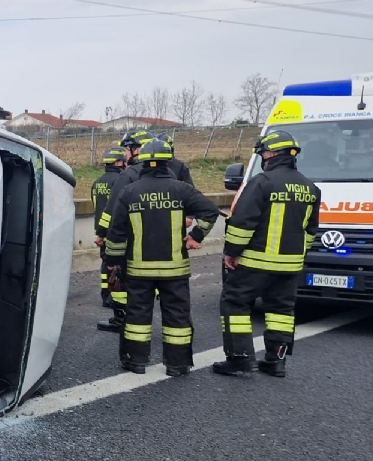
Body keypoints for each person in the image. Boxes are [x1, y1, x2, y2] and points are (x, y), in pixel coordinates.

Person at [103, 139, 220, 376]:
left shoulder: (129, 192)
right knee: (177, 315)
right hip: (175, 269)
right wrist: (196, 235)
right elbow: (210, 212)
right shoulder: (182, 189)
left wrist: (113, 263)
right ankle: (177, 365)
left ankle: (135, 361)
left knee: (137, 315)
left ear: (141, 161)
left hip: (139, 270)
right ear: (168, 162)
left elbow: (116, 233)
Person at [213, 130, 320, 378]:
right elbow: (311, 230)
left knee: (234, 303)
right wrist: (296, 255)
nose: (262, 157)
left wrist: (231, 252)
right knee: (281, 311)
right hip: (289, 266)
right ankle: (276, 361)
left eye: (263, 153)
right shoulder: (310, 187)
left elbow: (241, 224)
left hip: (255, 262)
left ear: (271, 153)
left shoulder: (261, 182)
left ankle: (240, 358)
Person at [95, 128, 153, 332]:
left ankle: (123, 319)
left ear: (136, 149)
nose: (125, 154)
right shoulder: (166, 175)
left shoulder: (128, 176)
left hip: (127, 238)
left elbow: (112, 210)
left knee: (120, 275)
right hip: (154, 241)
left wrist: (101, 233)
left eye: (127, 149)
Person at [92, 146, 129, 309]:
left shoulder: (97, 182)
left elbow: (96, 205)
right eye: (124, 161)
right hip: (115, 230)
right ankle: (115, 296)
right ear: (118, 162)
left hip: (100, 229)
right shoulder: (120, 181)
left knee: (105, 263)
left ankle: (105, 294)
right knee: (117, 265)